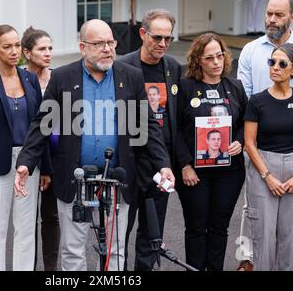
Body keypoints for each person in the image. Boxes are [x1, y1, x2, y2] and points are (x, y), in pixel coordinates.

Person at [14, 19, 175, 271]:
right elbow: (41, 124)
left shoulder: (131, 76)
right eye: (99, 43)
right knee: (72, 251)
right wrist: (25, 162)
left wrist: (163, 164)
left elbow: (148, 125)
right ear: (82, 46)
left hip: (117, 179)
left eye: (110, 42)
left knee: (115, 250)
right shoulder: (63, 77)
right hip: (74, 177)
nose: (108, 48)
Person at [237, 0, 293, 271]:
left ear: (292, 17)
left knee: (292, 219)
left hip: (292, 148)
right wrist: (258, 120)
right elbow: (243, 95)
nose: (271, 19)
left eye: (279, 14)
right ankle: (249, 261)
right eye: (268, 13)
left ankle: (288, 263)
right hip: (257, 143)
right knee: (254, 211)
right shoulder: (250, 50)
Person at [0, 24, 52, 271]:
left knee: (26, 229)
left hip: (28, 164)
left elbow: (41, 127)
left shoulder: (30, 79)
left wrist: (45, 168)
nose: (14, 51)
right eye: (7, 46)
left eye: (17, 45)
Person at [176, 33, 248, 271]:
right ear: (198, 60)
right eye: (210, 58)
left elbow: (244, 124)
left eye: (220, 55)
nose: (217, 62)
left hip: (229, 172)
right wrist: (184, 164)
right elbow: (174, 128)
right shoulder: (185, 87)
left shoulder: (234, 86)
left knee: (219, 227)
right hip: (194, 172)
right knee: (196, 227)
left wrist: (240, 143)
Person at [119, 8, 182, 271]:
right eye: (157, 38)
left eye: (168, 38)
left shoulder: (174, 68)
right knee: (121, 231)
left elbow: (178, 117)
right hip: (130, 161)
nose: (163, 44)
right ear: (143, 33)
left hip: (160, 164)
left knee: (151, 233)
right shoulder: (122, 67)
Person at [21, 26, 60, 271]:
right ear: (27, 52)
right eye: (41, 49)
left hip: (56, 158)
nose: (48, 54)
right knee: (26, 220)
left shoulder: (59, 78)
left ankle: (51, 270)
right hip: (28, 157)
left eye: (50, 48)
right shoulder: (18, 80)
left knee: (52, 217)